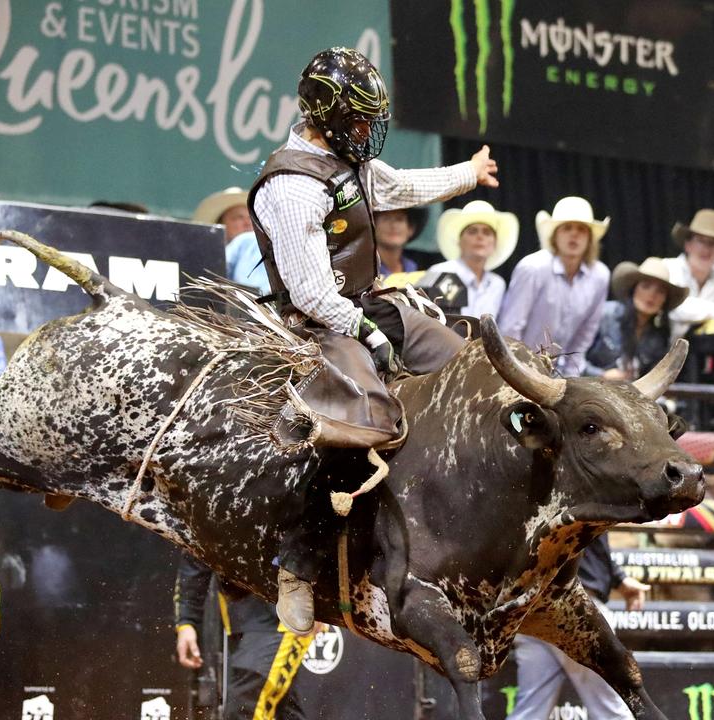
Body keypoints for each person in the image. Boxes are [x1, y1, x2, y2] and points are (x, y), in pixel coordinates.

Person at [248, 46, 498, 634]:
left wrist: (467, 174)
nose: (368, 131)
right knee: (358, 422)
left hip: (372, 307)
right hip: (318, 327)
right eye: (360, 119)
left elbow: (400, 185)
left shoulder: (346, 159)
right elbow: (310, 293)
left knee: (472, 369)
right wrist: (364, 332)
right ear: (326, 114)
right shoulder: (290, 185)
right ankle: (298, 564)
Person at [506, 534, 649, 720]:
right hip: (575, 609)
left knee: (530, 711)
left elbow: (585, 538)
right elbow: (582, 527)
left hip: (528, 606)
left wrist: (620, 580)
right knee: (611, 710)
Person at [174, 555, 311, 720]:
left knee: (244, 707)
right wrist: (187, 621)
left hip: (284, 618)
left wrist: (321, 604)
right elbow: (195, 554)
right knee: (285, 711)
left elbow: (307, 537)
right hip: (239, 621)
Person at [497, 196, 610, 377]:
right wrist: (517, 374)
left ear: (590, 239)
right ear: (555, 235)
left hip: (562, 373)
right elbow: (511, 328)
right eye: (567, 228)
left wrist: (572, 377)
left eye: (581, 229)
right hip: (520, 368)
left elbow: (586, 333)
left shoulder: (599, 276)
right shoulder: (533, 267)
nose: (574, 235)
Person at [584, 258, 689, 380]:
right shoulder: (604, 315)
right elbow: (571, 359)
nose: (652, 295)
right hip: (588, 392)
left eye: (660, 291)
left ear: (664, 301)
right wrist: (602, 375)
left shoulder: (658, 337)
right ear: (633, 289)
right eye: (646, 286)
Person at [661, 209, 714, 339]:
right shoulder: (668, 269)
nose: (706, 249)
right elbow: (676, 309)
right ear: (687, 245)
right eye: (700, 240)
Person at [428, 200, 518, 318]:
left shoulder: (497, 284)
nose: (480, 237)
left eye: (487, 232)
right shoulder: (441, 273)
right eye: (472, 231)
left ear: (495, 243)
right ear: (459, 241)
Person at [374, 206, 426, 276]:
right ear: (373, 227)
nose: (393, 225)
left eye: (399, 219)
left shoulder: (412, 267)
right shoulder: (362, 269)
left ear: (411, 229)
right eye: (386, 219)